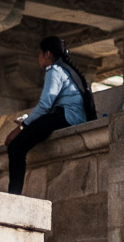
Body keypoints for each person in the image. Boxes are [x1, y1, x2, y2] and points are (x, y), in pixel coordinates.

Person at [5, 36, 92, 195]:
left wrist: (21, 128)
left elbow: (44, 106)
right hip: (71, 116)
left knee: (16, 147)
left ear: (47, 54)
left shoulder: (54, 70)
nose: (38, 57)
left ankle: (14, 195)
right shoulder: (66, 70)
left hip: (65, 116)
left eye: (39, 53)